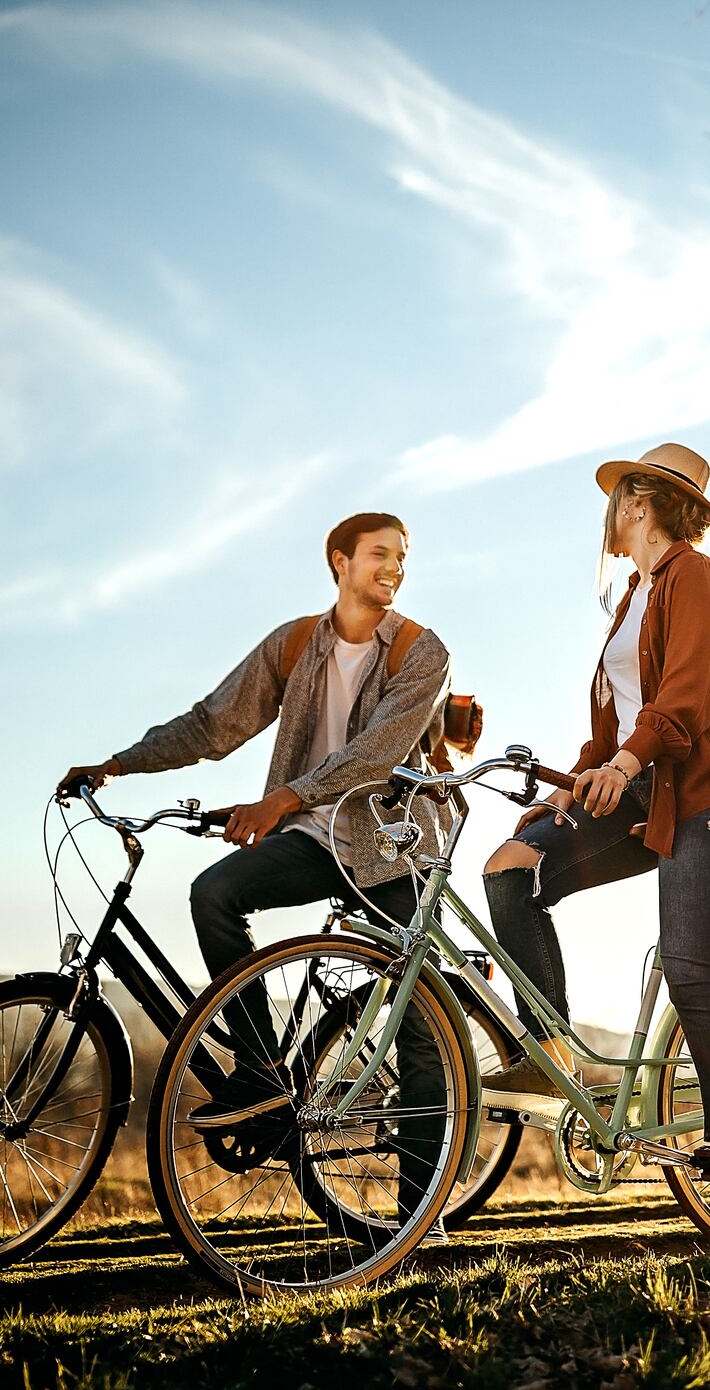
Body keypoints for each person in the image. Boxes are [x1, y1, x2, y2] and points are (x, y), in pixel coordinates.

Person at [56, 511, 452, 1231]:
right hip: (311, 837)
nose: (393, 568)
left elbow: (378, 753)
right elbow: (214, 724)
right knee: (214, 892)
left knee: (418, 1025)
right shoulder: (296, 643)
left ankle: (416, 1219)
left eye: (402, 556)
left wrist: (281, 798)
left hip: (392, 847)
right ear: (338, 560)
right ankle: (265, 1075)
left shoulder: (422, 652)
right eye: (378, 555)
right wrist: (118, 764)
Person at [480, 443, 710, 1259]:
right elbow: (615, 720)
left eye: (617, 498)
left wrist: (624, 761)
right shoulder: (634, 593)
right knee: (511, 866)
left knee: (692, 969)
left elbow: (684, 696)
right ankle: (550, 1059)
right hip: (647, 791)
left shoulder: (695, 576)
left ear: (639, 504)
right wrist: (584, 773)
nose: (608, 514)